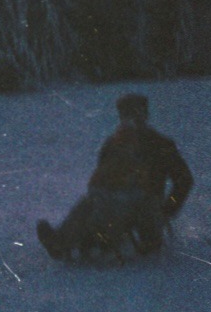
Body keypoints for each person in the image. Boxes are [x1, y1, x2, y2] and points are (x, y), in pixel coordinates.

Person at [37, 92, 193, 261]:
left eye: (136, 113)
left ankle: (98, 239)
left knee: (118, 207)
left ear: (145, 115)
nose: (131, 119)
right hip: (113, 199)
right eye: (126, 114)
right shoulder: (113, 143)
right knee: (90, 203)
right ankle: (61, 242)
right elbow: (103, 176)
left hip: (147, 201)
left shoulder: (161, 144)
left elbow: (183, 180)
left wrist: (167, 210)